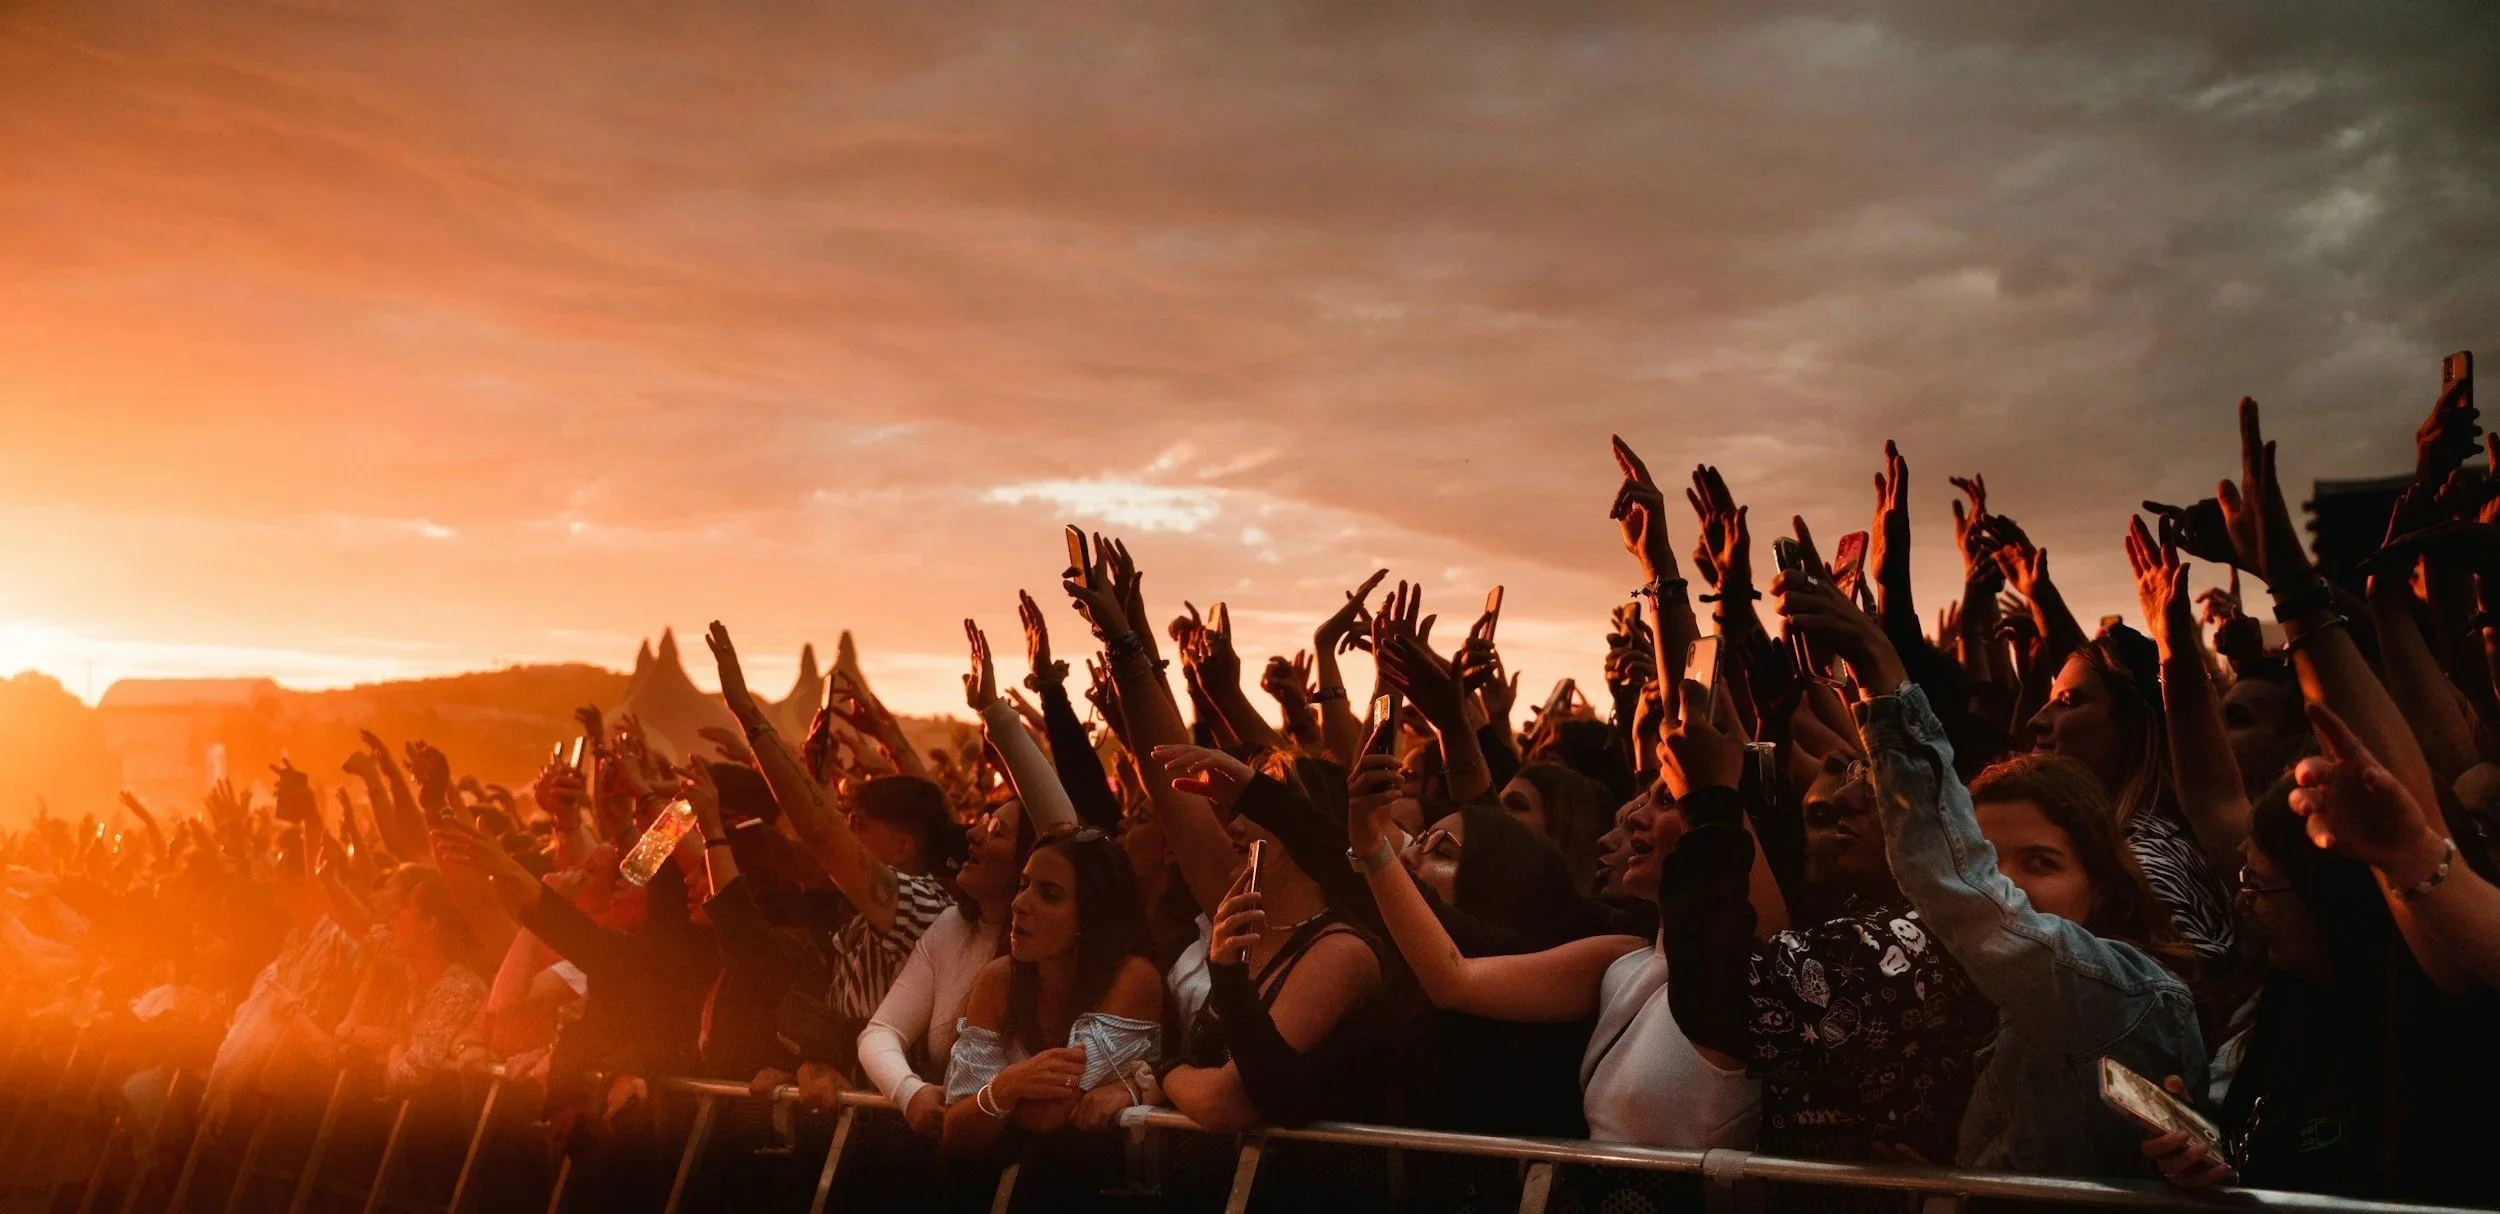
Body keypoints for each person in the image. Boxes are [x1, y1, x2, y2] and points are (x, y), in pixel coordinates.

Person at [940, 826, 1163, 1158]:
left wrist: (993, 1098)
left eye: (1050, 894)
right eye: (1023, 885)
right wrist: (1009, 1086)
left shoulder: (1132, 977)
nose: (1019, 904)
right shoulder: (999, 977)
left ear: (1091, 916)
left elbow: (1050, 1114)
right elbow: (956, 1131)